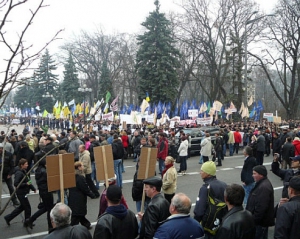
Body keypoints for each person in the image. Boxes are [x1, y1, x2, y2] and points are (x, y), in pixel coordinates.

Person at [194, 161, 227, 239]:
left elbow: (199, 211)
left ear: (208, 173)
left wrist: (195, 223)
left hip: (208, 225)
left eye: (202, 171)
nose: (200, 172)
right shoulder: (224, 185)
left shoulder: (205, 188)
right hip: (222, 222)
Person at [4, 159, 37, 227]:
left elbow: (28, 181)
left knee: (22, 207)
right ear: (21, 165)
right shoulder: (19, 173)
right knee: (27, 207)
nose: (27, 165)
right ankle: (27, 222)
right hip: (21, 193)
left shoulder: (24, 171)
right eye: (26, 164)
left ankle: (8, 218)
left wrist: (33, 188)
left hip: (23, 192)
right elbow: (16, 184)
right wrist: (26, 184)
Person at [246, 165, 275, 239]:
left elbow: (261, 207)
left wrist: (253, 220)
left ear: (261, 174)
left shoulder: (264, 187)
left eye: (255, 173)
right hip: (260, 222)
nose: (253, 175)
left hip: (260, 223)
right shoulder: (262, 184)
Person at [26, 159, 54, 230]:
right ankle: (50, 226)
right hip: (47, 191)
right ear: (44, 164)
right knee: (49, 209)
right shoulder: (44, 172)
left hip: (42, 191)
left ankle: (31, 219)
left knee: (45, 208)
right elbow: (49, 180)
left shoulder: (38, 171)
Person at [68, 162, 96, 229]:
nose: (83, 167)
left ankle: (86, 224)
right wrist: (92, 195)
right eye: (82, 166)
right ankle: (71, 228)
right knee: (77, 215)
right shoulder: (80, 178)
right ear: (79, 167)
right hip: (79, 198)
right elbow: (85, 188)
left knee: (78, 214)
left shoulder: (72, 176)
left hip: (73, 197)